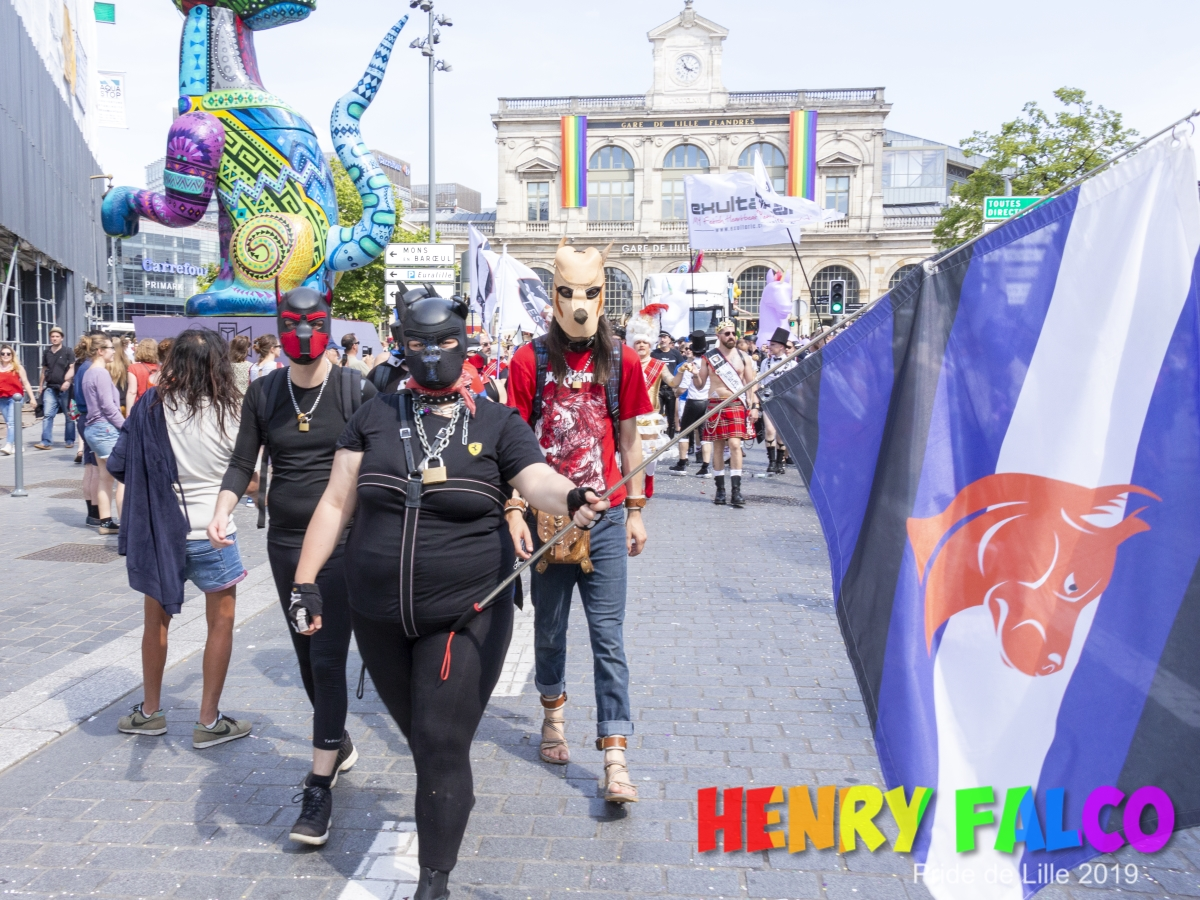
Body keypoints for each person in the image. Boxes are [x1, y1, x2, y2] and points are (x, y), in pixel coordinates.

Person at [292, 292, 608, 897]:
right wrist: (305, 581)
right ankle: (450, 796)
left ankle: (433, 881)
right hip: (377, 615)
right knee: (427, 739)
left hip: (467, 613)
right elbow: (334, 502)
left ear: (464, 342)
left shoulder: (497, 422)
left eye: (444, 342)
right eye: (418, 342)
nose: (432, 353)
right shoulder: (373, 415)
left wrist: (571, 496)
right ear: (400, 344)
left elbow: (535, 478)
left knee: (440, 741)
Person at [207, 284, 376, 847]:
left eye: (314, 321)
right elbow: (242, 460)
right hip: (284, 545)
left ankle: (318, 788)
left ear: (328, 323)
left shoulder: (354, 388)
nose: (303, 332)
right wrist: (222, 509)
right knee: (306, 658)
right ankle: (336, 741)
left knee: (326, 660)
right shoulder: (264, 391)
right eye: (291, 321)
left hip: (342, 546)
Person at [504, 239, 650, 803]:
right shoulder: (529, 361)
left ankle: (615, 754)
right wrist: (515, 509)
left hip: (606, 521)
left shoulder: (623, 362)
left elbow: (630, 442)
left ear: (603, 294)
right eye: (569, 292)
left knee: (608, 638)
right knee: (550, 630)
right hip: (548, 521)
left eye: (589, 292)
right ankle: (553, 716)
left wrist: (634, 511)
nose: (580, 305)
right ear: (555, 296)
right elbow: (513, 445)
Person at [109, 329, 251, 748]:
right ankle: (208, 720)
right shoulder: (233, 410)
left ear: (175, 362)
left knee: (155, 623)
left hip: (160, 531)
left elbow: (120, 463)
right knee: (221, 625)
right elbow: (248, 475)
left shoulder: (151, 407)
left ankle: (150, 712)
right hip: (216, 532)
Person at [693, 320, 759, 508]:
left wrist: (754, 406)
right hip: (715, 405)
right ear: (719, 336)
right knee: (718, 448)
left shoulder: (744, 357)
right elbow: (700, 385)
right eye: (727, 333)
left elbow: (751, 384)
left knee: (735, 445)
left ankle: (736, 490)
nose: (731, 336)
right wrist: (694, 374)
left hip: (736, 404)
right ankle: (720, 490)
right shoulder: (709, 357)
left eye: (733, 333)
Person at [81, 336, 126, 533]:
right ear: (100, 351)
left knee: (104, 477)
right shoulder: (101, 373)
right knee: (125, 477)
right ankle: (127, 525)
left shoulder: (88, 372)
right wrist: (125, 426)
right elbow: (108, 406)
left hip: (94, 429)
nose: (113, 351)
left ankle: (106, 522)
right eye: (110, 348)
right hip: (105, 429)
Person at [626, 313, 671, 499]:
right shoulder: (628, 363)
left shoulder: (658, 365)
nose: (641, 345)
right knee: (632, 450)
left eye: (645, 342)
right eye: (638, 342)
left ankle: (649, 478)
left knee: (650, 451)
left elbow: (673, 383)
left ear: (650, 344)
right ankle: (634, 484)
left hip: (650, 414)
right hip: (630, 413)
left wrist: (684, 374)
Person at [666, 331, 713, 477]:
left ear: (693, 350)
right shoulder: (710, 364)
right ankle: (706, 466)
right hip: (707, 401)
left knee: (684, 432)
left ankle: (682, 463)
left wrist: (675, 392)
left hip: (693, 401)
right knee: (704, 435)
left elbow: (682, 389)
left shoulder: (690, 366)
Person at [758, 326, 798, 476]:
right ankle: (772, 461)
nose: (770, 347)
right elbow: (760, 381)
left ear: (781, 346)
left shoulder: (792, 364)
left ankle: (781, 461)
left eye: (773, 344)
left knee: (782, 432)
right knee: (769, 430)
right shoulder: (765, 363)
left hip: (785, 400)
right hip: (768, 399)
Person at [34, 327, 75, 451]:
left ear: (62, 338)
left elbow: (72, 368)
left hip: (65, 388)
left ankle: (69, 440)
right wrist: (41, 386)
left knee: (69, 415)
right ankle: (45, 442)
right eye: (52, 336)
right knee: (48, 415)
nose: (55, 338)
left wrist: (68, 381)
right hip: (50, 388)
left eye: (57, 336)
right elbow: (44, 369)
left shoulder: (68, 351)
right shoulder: (47, 352)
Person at [0, 344, 35, 456]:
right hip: (2, 398)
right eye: (3, 353)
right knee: (10, 423)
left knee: (11, 422)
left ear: (12, 355)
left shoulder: (17, 368)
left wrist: (32, 398)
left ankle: (9, 445)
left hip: (15, 398)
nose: (5, 355)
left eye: (8, 354)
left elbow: (26, 383)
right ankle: (18, 444)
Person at [650, 330, 683, 439]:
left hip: (671, 389)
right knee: (657, 415)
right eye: (660, 337)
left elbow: (681, 369)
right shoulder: (654, 354)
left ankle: (670, 439)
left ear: (669, 339)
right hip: (658, 389)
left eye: (664, 337)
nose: (662, 340)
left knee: (671, 416)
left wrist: (678, 386)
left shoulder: (675, 353)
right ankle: (658, 438)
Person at [125, 338, 161, 411]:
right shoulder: (162, 368)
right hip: (158, 407)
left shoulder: (133, 368)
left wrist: (129, 413)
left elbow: (132, 392)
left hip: (140, 407)